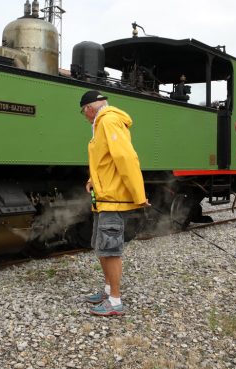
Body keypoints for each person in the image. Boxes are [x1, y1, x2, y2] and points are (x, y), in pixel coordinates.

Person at [79, 90, 149, 316]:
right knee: (102, 247)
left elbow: (126, 158)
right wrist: (93, 179)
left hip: (113, 199)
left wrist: (139, 195)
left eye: (84, 113)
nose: (85, 117)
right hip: (103, 197)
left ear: (89, 108)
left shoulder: (109, 121)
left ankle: (115, 302)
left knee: (111, 249)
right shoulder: (101, 124)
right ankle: (108, 291)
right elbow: (104, 160)